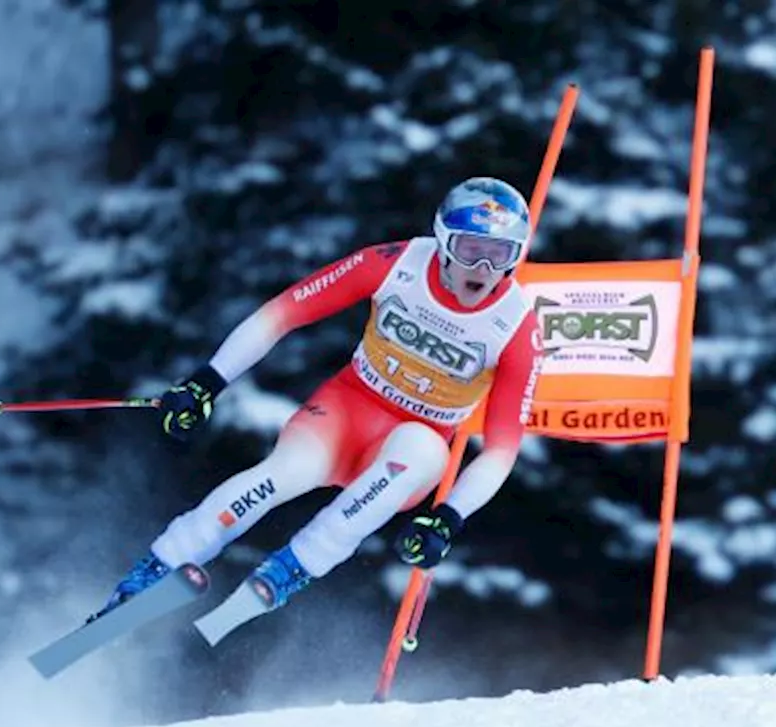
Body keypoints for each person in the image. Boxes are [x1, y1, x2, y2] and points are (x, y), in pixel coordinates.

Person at [91, 176, 544, 645]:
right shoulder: (395, 263)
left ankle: (275, 582)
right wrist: (208, 382)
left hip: (410, 445)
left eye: (504, 254)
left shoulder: (515, 327)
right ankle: (144, 585)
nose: (486, 268)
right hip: (346, 410)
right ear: (444, 242)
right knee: (282, 474)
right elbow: (283, 313)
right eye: (472, 250)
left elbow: (501, 450)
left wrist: (448, 517)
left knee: (423, 449)